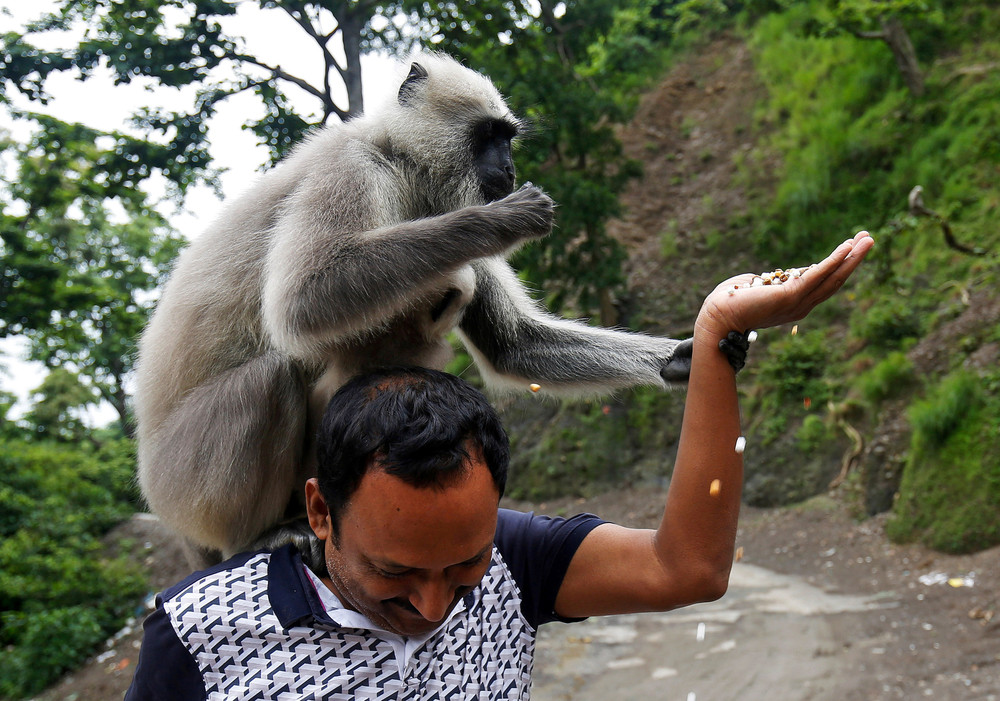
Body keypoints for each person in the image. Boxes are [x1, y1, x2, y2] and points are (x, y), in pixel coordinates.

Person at [125, 232, 874, 700]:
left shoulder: (512, 566)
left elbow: (690, 567)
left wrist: (713, 339)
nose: (431, 608)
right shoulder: (200, 630)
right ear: (320, 510)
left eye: (462, 568)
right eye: (393, 572)